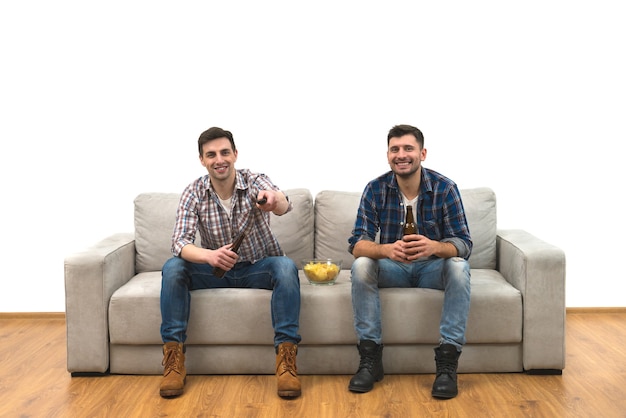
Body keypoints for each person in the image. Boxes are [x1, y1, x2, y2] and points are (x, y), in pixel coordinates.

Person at [159, 127, 302, 399]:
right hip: (215, 271)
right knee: (172, 267)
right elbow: (180, 242)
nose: (219, 159)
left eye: (225, 152)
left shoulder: (254, 180)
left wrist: (274, 200)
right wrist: (209, 256)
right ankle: (174, 361)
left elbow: (282, 203)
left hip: (257, 267)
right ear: (202, 160)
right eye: (211, 155)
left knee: (285, 267)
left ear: (235, 154)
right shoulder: (193, 192)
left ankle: (286, 361)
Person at [347, 124, 472, 399]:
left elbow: (464, 244)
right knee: (362, 265)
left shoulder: (445, 188)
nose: (401, 155)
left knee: (459, 267)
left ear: (422, 153)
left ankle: (448, 364)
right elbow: (357, 244)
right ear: (388, 154)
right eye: (395, 149)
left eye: (408, 148)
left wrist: (436, 246)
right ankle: (370, 359)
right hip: (394, 269)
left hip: (432, 269)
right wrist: (386, 250)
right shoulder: (375, 188)